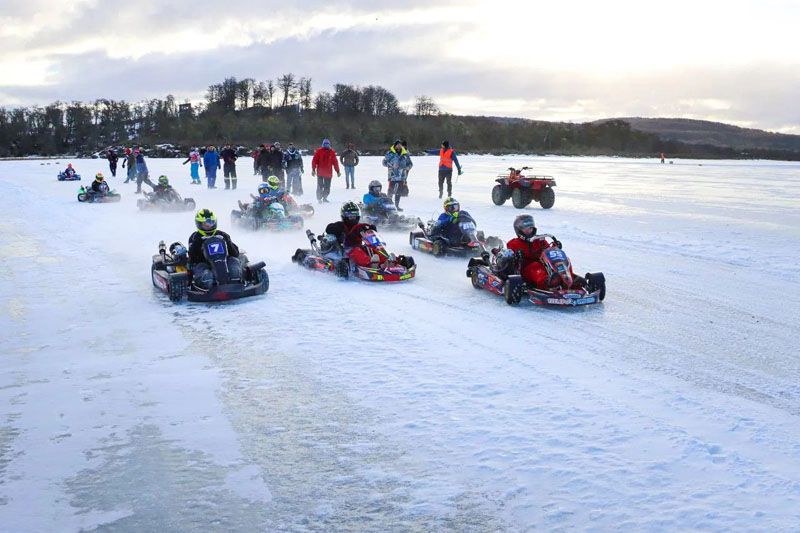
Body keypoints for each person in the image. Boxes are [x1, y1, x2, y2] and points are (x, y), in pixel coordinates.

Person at [504, 214, 583, 290]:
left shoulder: (539, 240)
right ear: (519, 230)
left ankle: (570, 280)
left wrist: (555, 247)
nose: (529, 231)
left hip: (544, 267)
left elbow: (549, 252)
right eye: (526, 229)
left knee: (564, 260)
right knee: (535, 266)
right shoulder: (513, 243)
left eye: (530, 228)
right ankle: (547, 283)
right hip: (526, 270)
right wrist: (516, 255)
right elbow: (509, 258)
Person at [188, 209, 242, 290]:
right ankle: (209, 285)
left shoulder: (222, 235)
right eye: (206, 223)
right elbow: (192, 257)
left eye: (211, 222)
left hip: (224, 262)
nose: (209, 225)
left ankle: (236, 281)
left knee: (234, 266)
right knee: (207, 276)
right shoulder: (195, 237)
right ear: (199, 224)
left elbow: (235, 253)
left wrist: (227, 242)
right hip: (205, 264)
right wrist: (200, 243)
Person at [322, 202, 378, 267]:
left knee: (374, 249)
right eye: (351, 216)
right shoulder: (340, 225)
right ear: (345, 216)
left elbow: (370, 236)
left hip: (359, 248)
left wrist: (371, 230)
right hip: (345, 251)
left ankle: (385, 262)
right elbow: (328, 228)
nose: (353, 218)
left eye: (354, 215)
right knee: (356, 251)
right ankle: (370, 264)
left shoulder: (360, 227)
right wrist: (338, 230)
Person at [382, 139, 412, 210]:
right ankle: (388, 205)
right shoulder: (390, 153)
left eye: (400, 145)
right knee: (390, 191)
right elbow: (384, 162)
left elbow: (410, 164)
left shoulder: (405, 154)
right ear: (394, 146)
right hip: (392, 176)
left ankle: (396, 206)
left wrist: (407, 168)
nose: (399, 146)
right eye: (397, 145)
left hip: (402, 177)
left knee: (399, 192)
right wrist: (391, 165)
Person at [311, 138, 340, 203]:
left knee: (327, 187)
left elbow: (335, 162)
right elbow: (314, 160)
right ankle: (319, 198)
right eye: (325, 144)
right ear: (323, 144)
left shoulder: (332, 152)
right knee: (320, 186)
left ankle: (324, 197)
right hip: (320, 173)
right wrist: (313, 169)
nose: (326, 145)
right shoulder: (319, 151)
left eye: (327, 144)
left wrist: (337, 171)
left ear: (329, 144)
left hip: (328, 173)